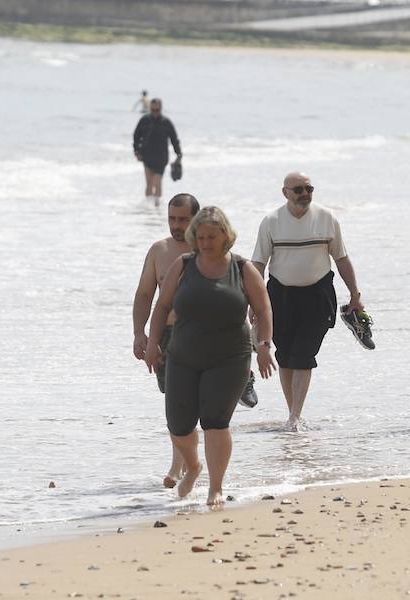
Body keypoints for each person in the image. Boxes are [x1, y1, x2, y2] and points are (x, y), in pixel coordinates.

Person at [144, 207, 275, 507]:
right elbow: (162, 306)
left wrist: (265, 344)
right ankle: (192, 466)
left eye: (211, 237)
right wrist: (153, 342)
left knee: (215, 421)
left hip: (229, 358)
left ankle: (215, 487)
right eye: (200, 236)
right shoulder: (184, 264)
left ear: (225, 236)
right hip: (183, 355)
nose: (205, 242)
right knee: (178, 423)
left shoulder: (241, 268)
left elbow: (264, 308)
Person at [251, 172, 364, 431]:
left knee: (304, 354)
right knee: (286, 355)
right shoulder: (271, 221)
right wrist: (253, 302)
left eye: (309, 188)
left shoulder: (326, 218)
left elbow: (342, 258)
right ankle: (294, 415)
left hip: (318, 295)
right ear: (285, 193)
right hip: (279, 295)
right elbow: (258, 263)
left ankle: (294, 416)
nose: (304, 194)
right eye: (298, 189)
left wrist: (355, 294)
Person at [133, 193, 200, 488]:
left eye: (183, 219)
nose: (176, 225)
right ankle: (186, 462)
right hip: (168, 335)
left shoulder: (208, 249)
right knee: (175, 401)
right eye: (172, 219)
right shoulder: (159, 250)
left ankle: (180, 464)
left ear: (195, 219)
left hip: (201, 335)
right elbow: (145, 294)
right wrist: (141, 334)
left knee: (192, 401)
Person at [133, 98, 182, 206]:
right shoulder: (144, 120)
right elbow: (136, 136)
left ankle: (157, 206)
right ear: (150, 108)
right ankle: (148, 209)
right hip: (147, 156)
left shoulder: (166, 122)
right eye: (153, 110)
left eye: (157, 110)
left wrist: (178, 154)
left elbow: (174, 139)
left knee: (157, 182)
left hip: (161, 157)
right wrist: (136, 151)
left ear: (161, 108)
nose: (155, 112)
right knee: (149, 183)